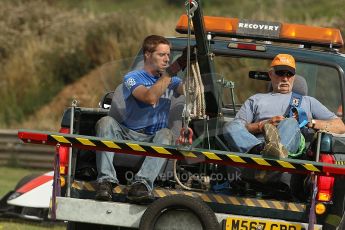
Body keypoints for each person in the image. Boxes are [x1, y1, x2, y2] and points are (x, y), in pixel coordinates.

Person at [95, 35, 187, 202]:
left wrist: (197, 62)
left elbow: (190, 90)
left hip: (153, 137)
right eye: (161, 55)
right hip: (126, 133)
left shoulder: (172, 81)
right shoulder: (132, 77)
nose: (167, 59)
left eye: (169, 55)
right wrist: (172, 70)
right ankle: (106, 181)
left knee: (166, 134)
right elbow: (149, 97)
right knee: (105, 122)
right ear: (147, 55)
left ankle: (142, 184)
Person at [223, 53, 345, 160]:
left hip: (289, 149)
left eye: (289, 74)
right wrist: (264, 125)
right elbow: (239, 127)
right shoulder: (256, 99)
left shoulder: (308, 101)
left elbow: (340, 126)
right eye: (280, 73)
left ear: (294, 77)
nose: (285, 78)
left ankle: (277, 151)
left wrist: (309, 122)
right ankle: (262, 149)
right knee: (230, 126)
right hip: (256, 145)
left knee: (290, 122)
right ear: (271, 74)